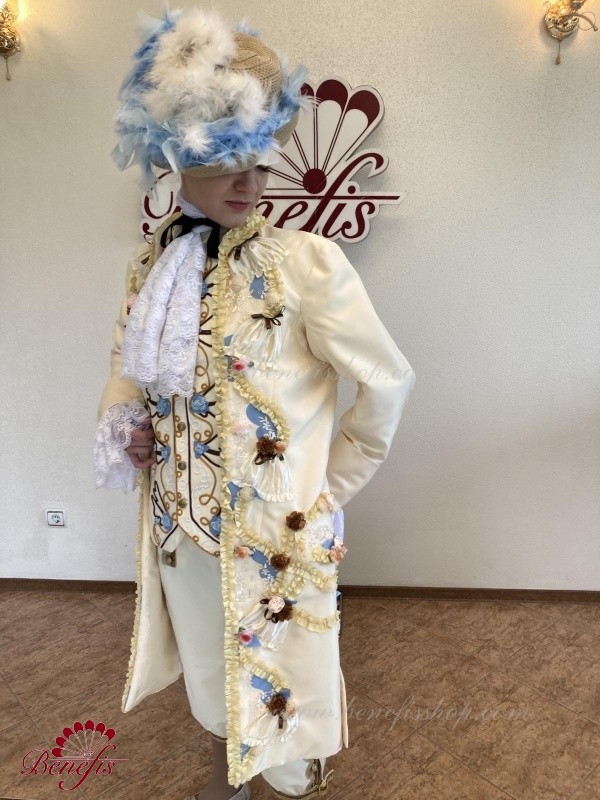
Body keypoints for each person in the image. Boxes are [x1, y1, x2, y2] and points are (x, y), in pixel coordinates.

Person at [94, 7, 416, 800]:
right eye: (225, 163)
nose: (250, 183)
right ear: (178, 156)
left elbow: (387, 379)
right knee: (213, 671)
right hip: (181, 523)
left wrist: (329, 488)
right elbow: (127, 364)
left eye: (259, 162)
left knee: (284, 679)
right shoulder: (150, 264)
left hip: (277, 526)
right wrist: (126, 423)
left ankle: (279, 777)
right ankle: (226, 770)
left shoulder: (306, 262)